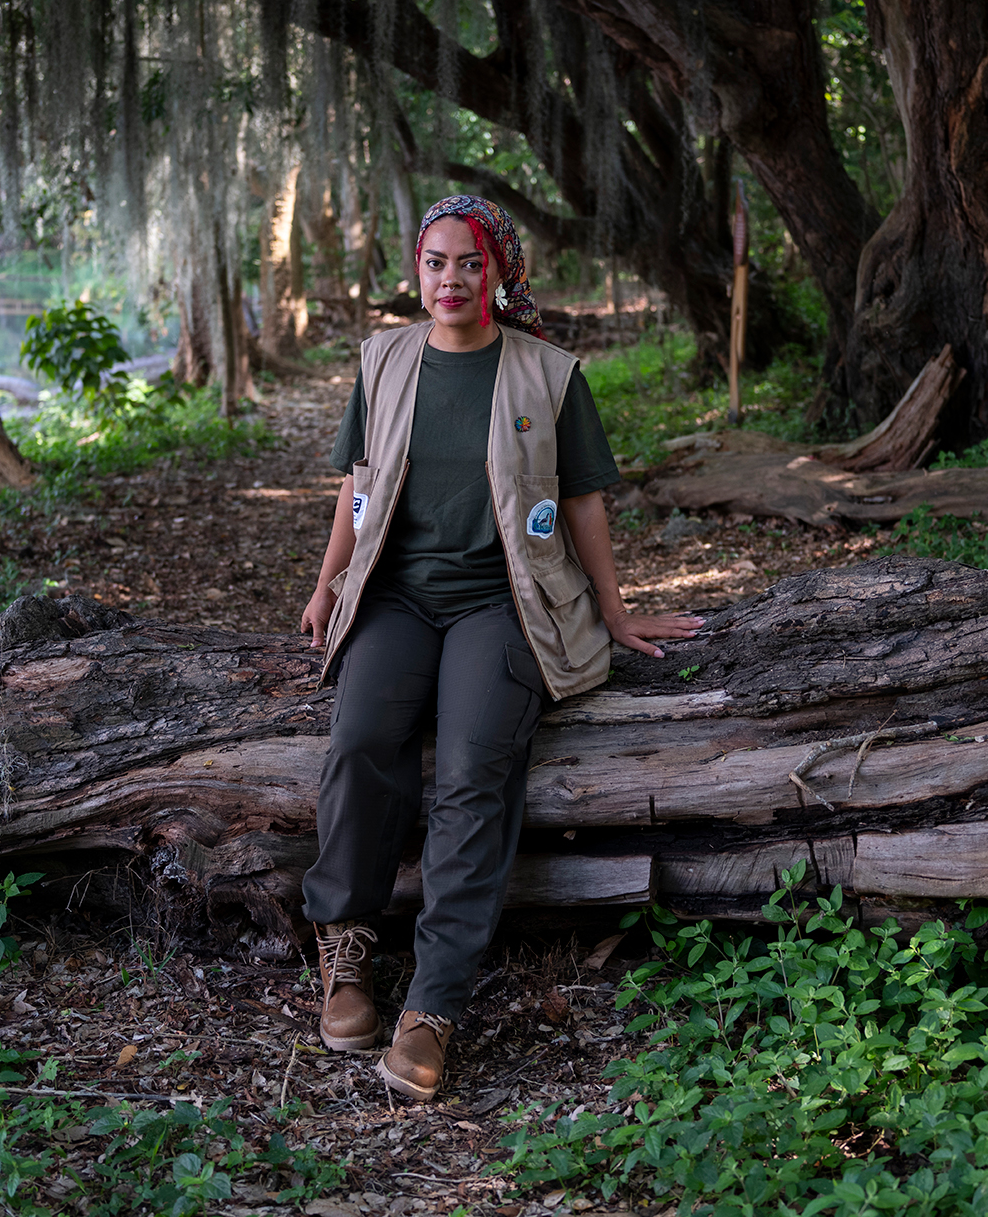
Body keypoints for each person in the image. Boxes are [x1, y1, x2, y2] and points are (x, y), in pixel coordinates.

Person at [297, 194, 701, 1102]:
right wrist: (328, 582)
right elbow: (358, 488)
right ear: (418, 270)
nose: (451, 280)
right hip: (397, 598)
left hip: (502, 605)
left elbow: (586, 500)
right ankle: (348, 951)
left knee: (477, 767)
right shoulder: (384, 360)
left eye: (470, 263)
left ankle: (433, 1005)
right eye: (436, 262)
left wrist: (616, 607)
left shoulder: (548, 375)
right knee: (363, 740)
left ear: (499, 272)